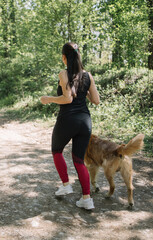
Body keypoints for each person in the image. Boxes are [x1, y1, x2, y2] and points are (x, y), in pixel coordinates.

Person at [40, 42, 100, 210]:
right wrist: (84, 88)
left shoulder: (63, 73)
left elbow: (67, 99)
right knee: (79, 159)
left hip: (68, 120)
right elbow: (96, 100)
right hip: (85, 121)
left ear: (64, 57)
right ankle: (87, 199)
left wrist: (48, 98)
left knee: (57, 150)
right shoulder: (88, 75)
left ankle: (66, 185)